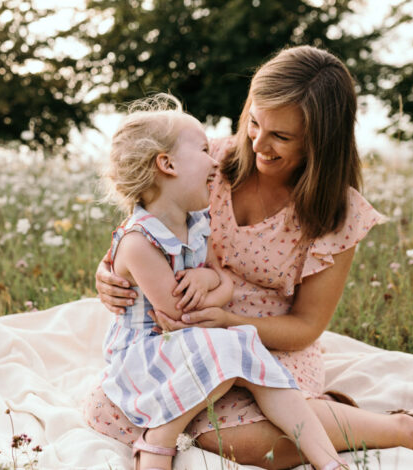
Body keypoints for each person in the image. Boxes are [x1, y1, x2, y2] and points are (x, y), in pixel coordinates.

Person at [86, 45, 413, 470]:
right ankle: (340, 421)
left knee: (254, 441)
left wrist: (232, 323)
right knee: (202, 424)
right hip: (188, 336)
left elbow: (306, 326)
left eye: (281, 137)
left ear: (320, 141)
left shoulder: (335, 213)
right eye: (254, 123)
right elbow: (142, 232)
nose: (259, 144)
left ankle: (406, 430)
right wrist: (108, 275)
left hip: (271, 339)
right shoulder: (206, 159)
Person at [98, 94, 347, 470]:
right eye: (202, 150)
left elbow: (223, 280)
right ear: (166, 164)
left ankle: (329, 462)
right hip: (149, 352)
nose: (215, 158)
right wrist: (212, 294)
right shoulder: (138, 242)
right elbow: (179, 314)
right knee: (235, 351)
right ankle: (160, 436)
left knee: (261, 368)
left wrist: (207, 276)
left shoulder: (197, 223)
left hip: (195, 337)